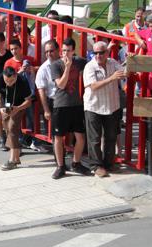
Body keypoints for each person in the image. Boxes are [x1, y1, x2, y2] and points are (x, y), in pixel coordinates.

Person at [83, 41, 128, 178]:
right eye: (95, 53)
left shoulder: (113, 62)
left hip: (111, 106)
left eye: (101, 52)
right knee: (95, 138)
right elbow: (93, 86)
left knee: (111, 136)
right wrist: (112, 78)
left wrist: (131, 61)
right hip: (94, 106)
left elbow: (125, 73)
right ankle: (96, 166)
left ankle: (109, 164)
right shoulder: (89, 66)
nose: (97, 55)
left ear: (107, 53)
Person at [49, 37, 90, 179]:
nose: (65, 54)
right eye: (63, 51)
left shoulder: (79, 62)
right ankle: (60, 166)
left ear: (73, 51)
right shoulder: (56, 65)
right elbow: (60, 84)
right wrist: (67, 67)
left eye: (68, 51)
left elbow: (93, 62)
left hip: (76, 105)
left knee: (80, 136)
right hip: (61, 105)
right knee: (58, 137)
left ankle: (76, 163)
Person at [0, 67, 33, 171]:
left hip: (19, 106)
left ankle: (12, 160)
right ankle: (17, 156)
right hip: (5, 105)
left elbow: (29, 101)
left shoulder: (22, 81)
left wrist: (18, 108)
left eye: (11, 81)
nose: (9, 83)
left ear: (16, 76)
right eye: (6, 81)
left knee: (12, 128)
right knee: (8, 130)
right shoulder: (0, 78)